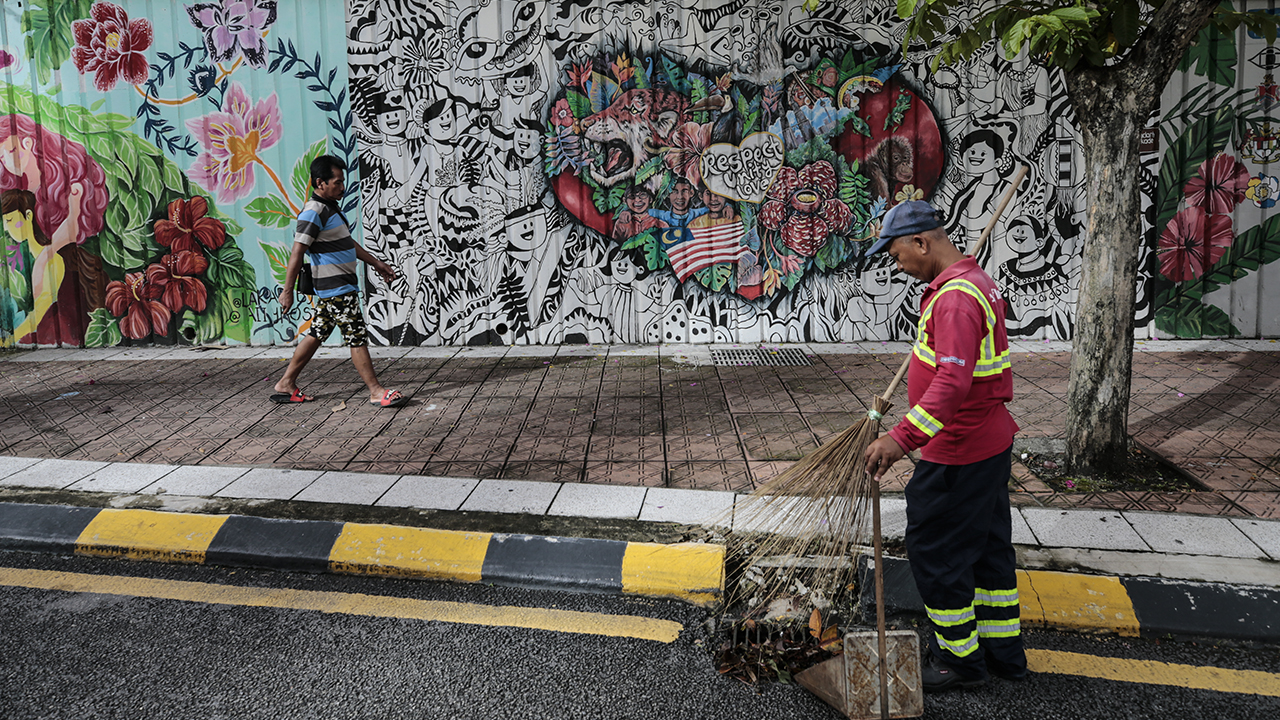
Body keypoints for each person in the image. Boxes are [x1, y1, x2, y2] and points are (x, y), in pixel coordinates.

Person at [861, 200, 1025, 692]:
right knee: (989, 552)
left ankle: (961, 662)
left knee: (937, 551)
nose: (896, 264)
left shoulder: (955, 298)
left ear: (922, 243)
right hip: (988, 446)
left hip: (958, 452)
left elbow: (952, 383)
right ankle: (1004, 655)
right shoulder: (973, 284)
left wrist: (899, 438)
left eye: (895, 253)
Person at [276, 155, 407, 408]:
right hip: (336, 289)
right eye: (337, 182)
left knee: (317, 332)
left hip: (337, 287)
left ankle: (286, 383)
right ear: (320, 183)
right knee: (356, 335)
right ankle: (376, 391)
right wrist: (287, 291)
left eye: (342, 181)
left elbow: (346, 243)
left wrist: (376, 263)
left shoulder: (330, 208)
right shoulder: (313, 212)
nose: (342, 187)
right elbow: (297, 253)